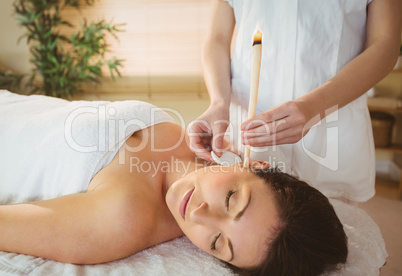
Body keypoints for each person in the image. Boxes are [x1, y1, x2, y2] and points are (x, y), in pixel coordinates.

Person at [0, 91, 347, 275]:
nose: (198, 215)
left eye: (216, 242)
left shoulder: (123, 218)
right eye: (230, 200)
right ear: (254, 164)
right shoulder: (202, 143)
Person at [189, 0, 402, 204]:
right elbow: (216, 38)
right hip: (247, 125)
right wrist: (218, 102)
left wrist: (313, 108)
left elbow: (386, 43)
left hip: (330, 128)